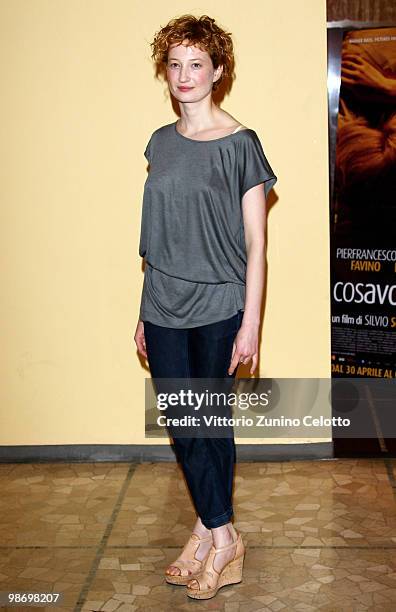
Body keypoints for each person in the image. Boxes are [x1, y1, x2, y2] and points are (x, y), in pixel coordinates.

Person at [134, 14, 277, 600]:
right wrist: (141, 309)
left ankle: (215, 539)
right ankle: (220, 533)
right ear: (165, 73)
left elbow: (257, 245)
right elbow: (155, 235)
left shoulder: (242, 144)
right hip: (163, 299)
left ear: (218, 71)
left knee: (208, 425)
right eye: (175, 64)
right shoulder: (160, 143)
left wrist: (252, 324)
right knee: (180, 420)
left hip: (220, 304)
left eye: (197, 64)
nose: (185, 75)